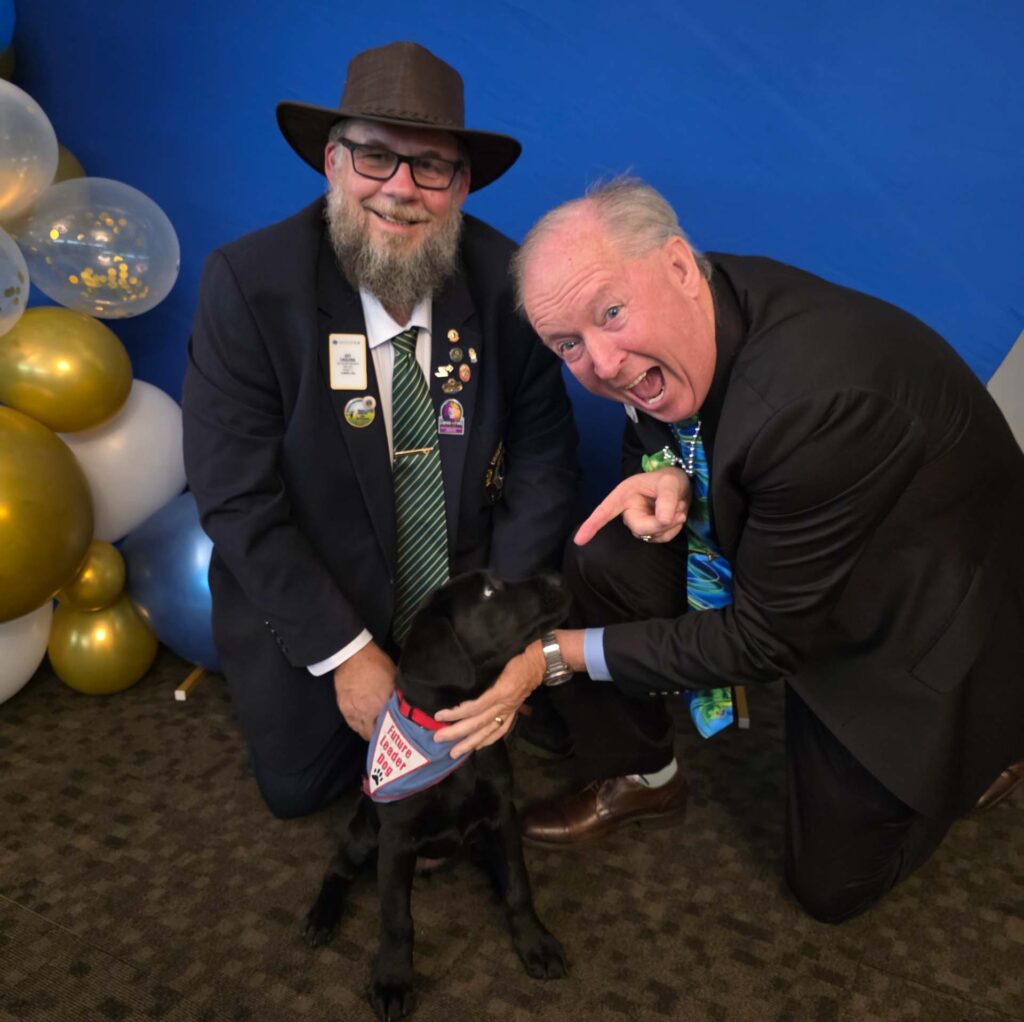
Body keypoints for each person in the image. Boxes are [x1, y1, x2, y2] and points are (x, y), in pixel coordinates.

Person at [433, 177, 1024, 922]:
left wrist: (552, 656)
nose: (604, 364)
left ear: (680, 267)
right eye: (568, 344)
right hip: (789, 546)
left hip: (911, 609)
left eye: (610, 312)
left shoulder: (814, 402)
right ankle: (645, 777)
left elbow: (766, 640)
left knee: (831, 890)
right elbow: (661, 428)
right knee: (604, 557)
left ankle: (989, 739)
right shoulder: (697, 312)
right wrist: (675, 477)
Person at [181, 42, 578, 819]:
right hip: (318, 599)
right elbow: (236, 498)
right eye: (375, 157)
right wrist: (345, 653)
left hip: (458, 602)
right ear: (332, 163)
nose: (400, 189)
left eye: (430, 167)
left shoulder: (509, 284)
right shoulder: (250, 286)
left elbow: (545, 461)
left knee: (476, 782)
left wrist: (503, 634)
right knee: (298, 794)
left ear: (459, 187)